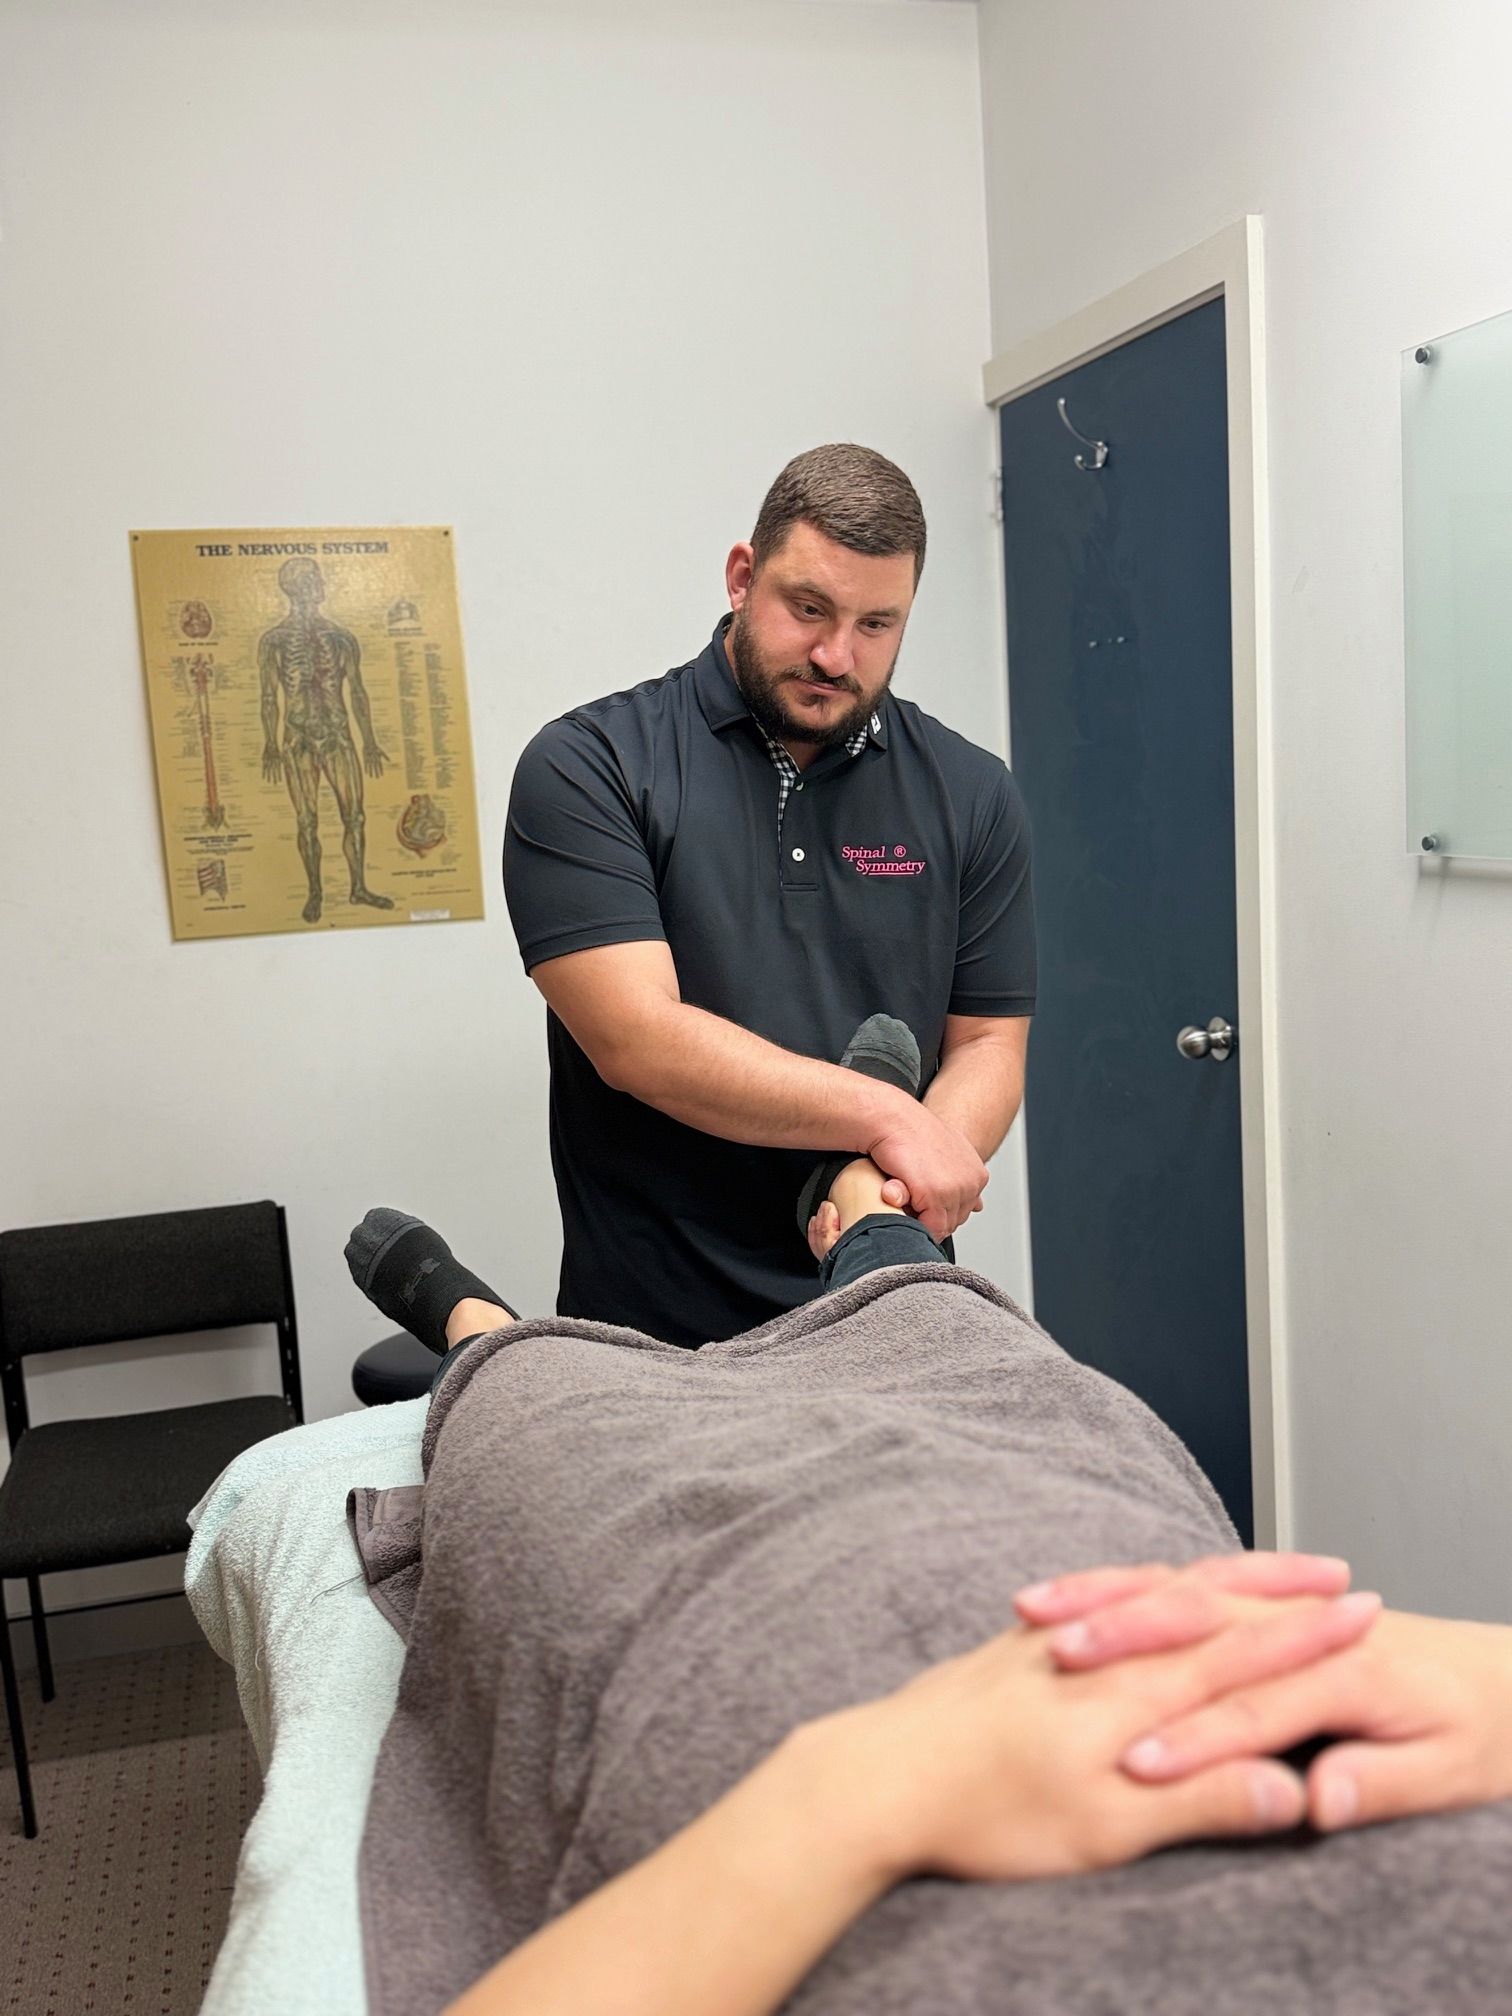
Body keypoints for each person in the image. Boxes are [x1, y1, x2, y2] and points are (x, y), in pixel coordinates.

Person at [344, 1125, 1512, 2016]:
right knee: (980, 1357)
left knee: (573, 1436)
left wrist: (862, 1787)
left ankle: (478, 1331)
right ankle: (863, 1214)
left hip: (751, 1648)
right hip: (1100, 1567)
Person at [503, 444, 1036, 1346]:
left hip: (887, 1301)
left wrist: (877, 1209)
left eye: (878, 625)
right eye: (810, 608)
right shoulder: (592, 766)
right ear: (743, 577)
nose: (837, 655)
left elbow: (987, 1042)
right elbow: (641, 1041)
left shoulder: (972, 793)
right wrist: (886, 1114)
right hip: (657, 1332)